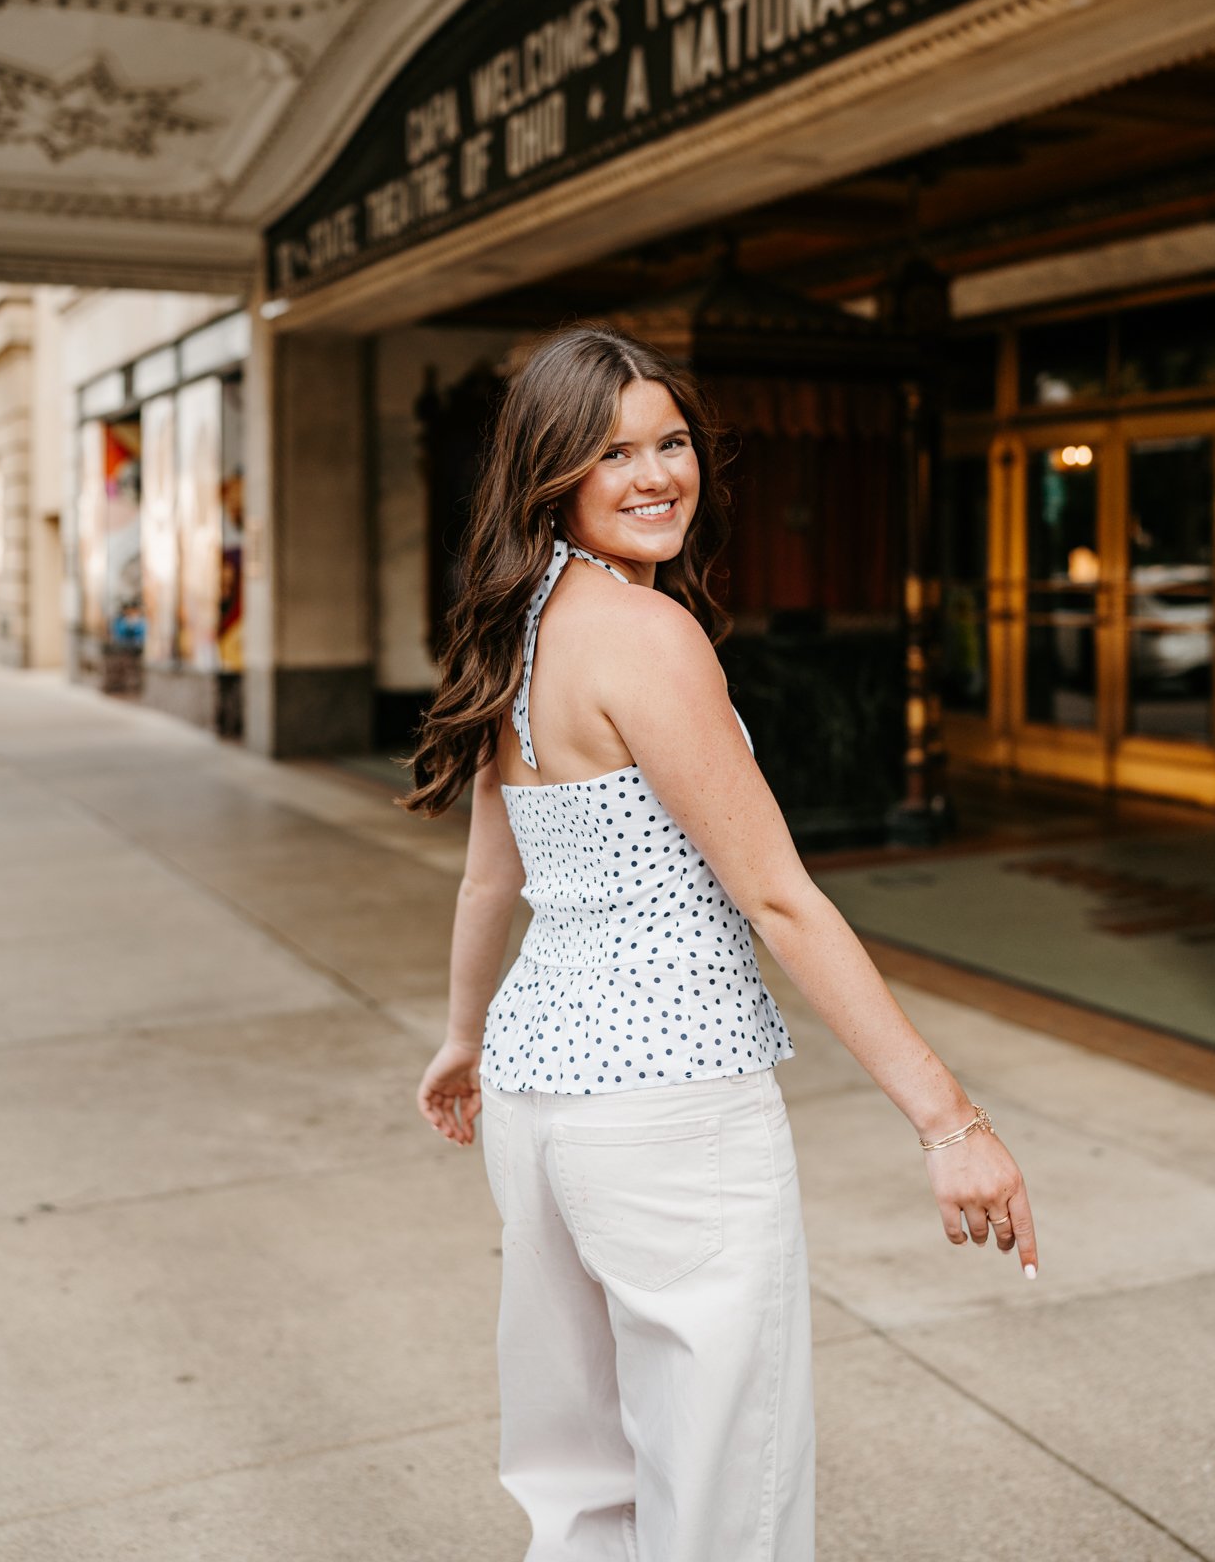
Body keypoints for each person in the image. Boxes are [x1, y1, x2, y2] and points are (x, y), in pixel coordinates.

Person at [408, 323, 1038, 1562]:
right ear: (551, 473)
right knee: (721, 1476)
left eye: (672, 441)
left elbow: (495, 876)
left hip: (540, 1099)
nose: (656, 476)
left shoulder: (516, 624)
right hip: (667, 1101)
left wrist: (464, 1037)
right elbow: (782, 899)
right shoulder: (646, 636)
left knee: (579, 1473)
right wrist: (950, 1119)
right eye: (613, 453)